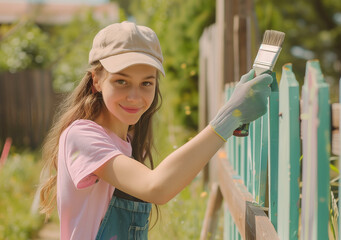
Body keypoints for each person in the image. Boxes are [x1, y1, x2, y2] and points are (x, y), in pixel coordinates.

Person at [38, 21, 272, 240]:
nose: (134, 96)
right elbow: (156, 187)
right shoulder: (82, 136)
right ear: (96, 81)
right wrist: (229, 117)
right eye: (121, 81)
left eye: (146, 83)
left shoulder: (125, 141)